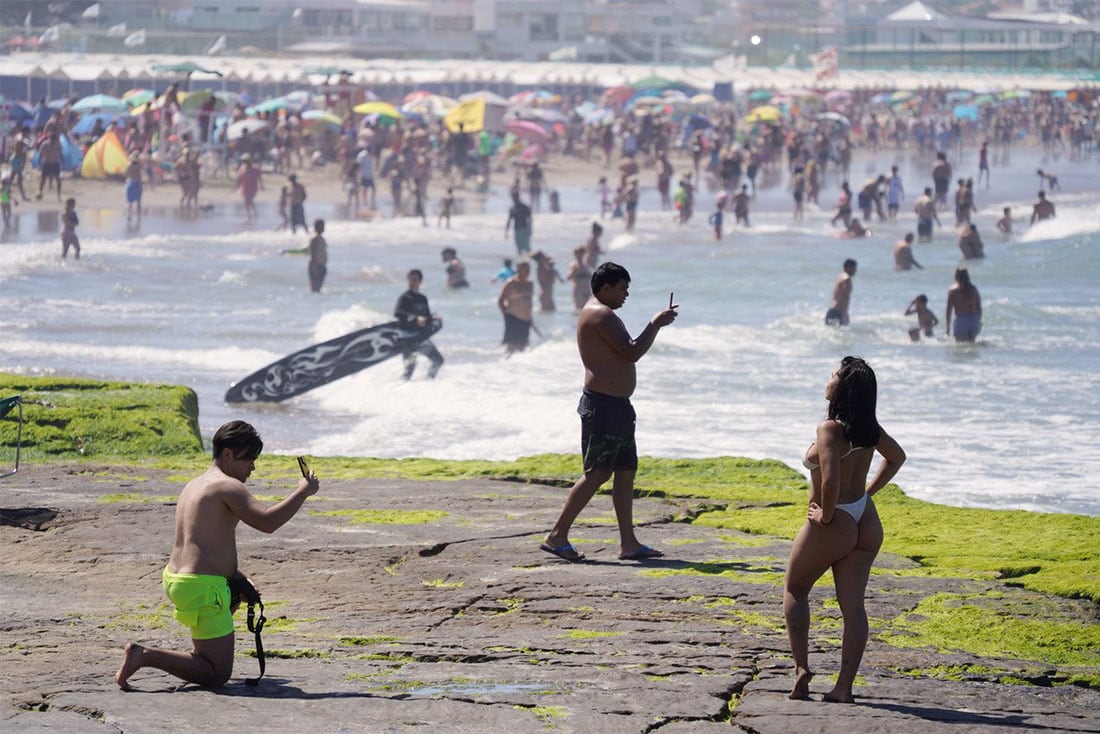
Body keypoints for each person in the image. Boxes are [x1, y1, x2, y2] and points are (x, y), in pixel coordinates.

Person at [115, 420, 320, 691]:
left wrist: (234, 575)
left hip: (180, 578)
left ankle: (203, 654)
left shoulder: (195, 484)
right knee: (216, 674)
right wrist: (303, 491)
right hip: (201, 586)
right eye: (249, 459)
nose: (253, 468)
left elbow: (201, 541)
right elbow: (268, 523)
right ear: (228, 455)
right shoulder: (228, 486)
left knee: (234, 595)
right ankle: (145, 656)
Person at [784, 357, 905, 702]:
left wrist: (824, 515)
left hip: (836, 520)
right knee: (853, 607)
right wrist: (867, 494)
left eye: (834, 374)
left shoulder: (830, 430)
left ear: (843, 388)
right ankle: (843, 688)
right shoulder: (868, 429)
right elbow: (897, 458)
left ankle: (801, 670)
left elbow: (831, 481)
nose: (828, 378)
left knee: (795, 590)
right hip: (865, 519)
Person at [541, 262, 678, 563]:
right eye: (623, 289)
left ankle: (628, 543)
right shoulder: (601, 314)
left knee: (626, 471)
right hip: (602, 406)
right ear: (606, 288)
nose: (626, 295)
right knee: (597, 473)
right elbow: (631, 351)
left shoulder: (600, 312)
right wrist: (655, 324)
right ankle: (557, 535)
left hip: (617, 406)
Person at [394, 269, 444, 379]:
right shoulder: (405, 297)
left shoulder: (423, 298)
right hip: (408, 340)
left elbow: (426, 318)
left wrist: (435, 319)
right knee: (410, 370)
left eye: (415, 280)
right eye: (410, 280)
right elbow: (398, 313)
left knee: (438, 361)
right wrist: (415, 319)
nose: (412, 282)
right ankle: (398, 390)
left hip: (421, 338)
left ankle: (428, 381)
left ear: (420, 282)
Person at [497, 260, 535, 355]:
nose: (527, 271)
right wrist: (506, 315)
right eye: (525, 269)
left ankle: (519, 367)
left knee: (523, 347)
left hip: (525, 320)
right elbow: (500, 301)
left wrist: (530, 318)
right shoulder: (511, 283)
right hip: (513, 318)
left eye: (529, 269)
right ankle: (505, 364)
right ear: (518, 269)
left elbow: (529, 302)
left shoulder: (530, 284)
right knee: (511, 346)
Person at [946, 268, 982, 343]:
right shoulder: (973, 289)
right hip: (974, 318)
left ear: (956, 276)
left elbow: (949, 310)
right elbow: (979, 307)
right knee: (971, 345)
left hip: (962, 319)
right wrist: (979, 320)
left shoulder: (953, 291)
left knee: (961, 347)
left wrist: (948, 327)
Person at [825, 259, 856, 326]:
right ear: (848, 267)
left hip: (832, 311)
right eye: (854, 268)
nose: (855, 271)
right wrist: (845, 314)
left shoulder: (840, 276)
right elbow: (845, 297)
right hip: (837, 313)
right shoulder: (846, 278)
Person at [565, 244, 592, 311]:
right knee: (580, 310)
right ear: (575, 254)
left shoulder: (586, 265)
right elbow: (568, 277)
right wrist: (574, 271)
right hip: (578, 291)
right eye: (578, 254)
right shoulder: (573, 265)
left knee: (587, 310)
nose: (580, 255)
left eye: (582, 253)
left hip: (587, 290)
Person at [237, 154, 262, 223]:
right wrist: (237, 185)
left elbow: (259, 177)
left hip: (253, 187)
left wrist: (261, 185)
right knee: (246, 202)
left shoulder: (255, 169)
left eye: (246, 161)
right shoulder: (242, 168)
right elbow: (239, 178)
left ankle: (254, 213)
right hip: (244, 187)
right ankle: (249, 216)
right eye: (244, 161)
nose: (245, 162)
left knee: (250, 200)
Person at [307, 219, 327, 293]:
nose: (323, 228)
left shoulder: (321, 239)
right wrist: (314, 266)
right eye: (322, 226)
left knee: (318, 289)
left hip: (321, 265)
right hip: (316, 265)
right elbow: (313, 253)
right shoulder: (315, 239)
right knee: (315, 288)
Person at [125, 152, 143, 223]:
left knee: (130, 202)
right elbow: (140, 175)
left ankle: (129, 215)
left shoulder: (129, 166)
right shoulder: (138, 165)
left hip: (131, 182)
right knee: (138, 201)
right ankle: (138, 216)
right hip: (136, 183)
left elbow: (126, 174)